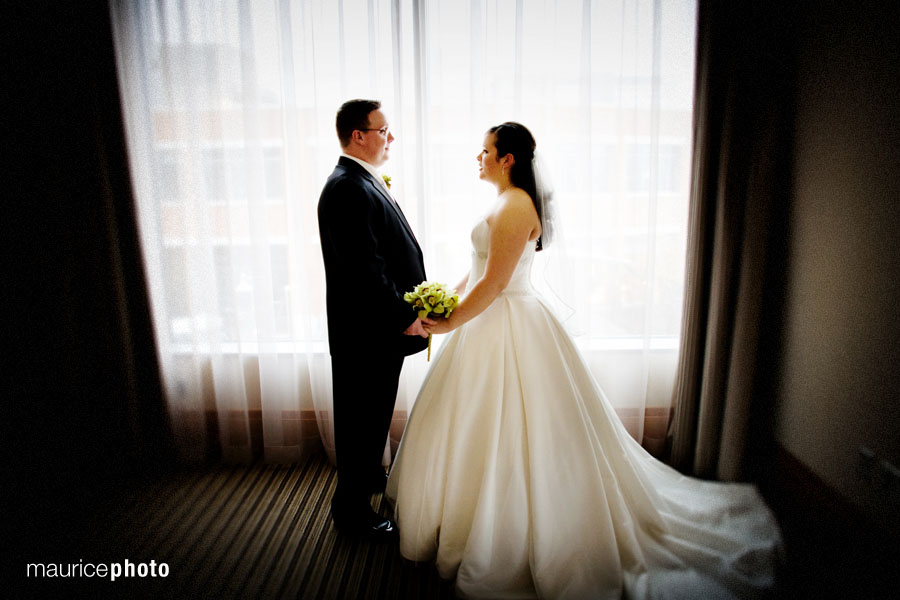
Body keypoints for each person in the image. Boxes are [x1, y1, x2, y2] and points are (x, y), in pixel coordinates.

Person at [385, 122, 783, 598]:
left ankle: (507, 534)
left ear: (507, 158)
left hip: (509, 321)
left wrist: (450, 323)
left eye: (485, 150)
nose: (479, 157)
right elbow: (475, 272)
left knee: (517, 430)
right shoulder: (502, 203)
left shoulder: (515, 206)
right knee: (473, 422)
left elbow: (495, 284)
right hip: (487, 321)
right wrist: (443, 300)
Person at [318, 99, 433, 541]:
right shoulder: (347, 186)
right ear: (358, 135)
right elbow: (364, 269)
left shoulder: (359, 181)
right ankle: (351, 513)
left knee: (371, 417)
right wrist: (404, 316)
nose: (390, 138)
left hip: (371, 331)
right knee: (361, 421)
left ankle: (366, 482)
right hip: (367, 332)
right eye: (383, 130)